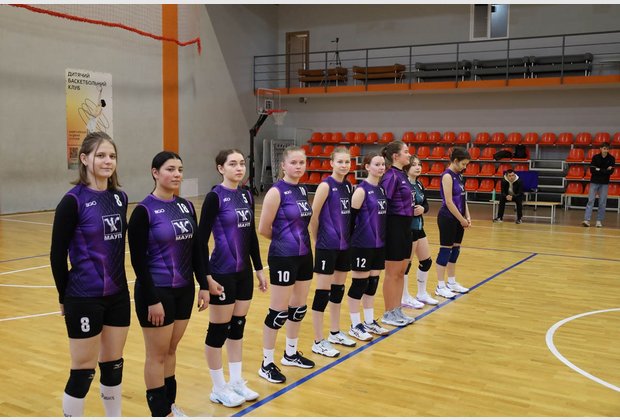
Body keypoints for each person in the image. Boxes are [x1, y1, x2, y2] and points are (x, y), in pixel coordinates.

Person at [50, 132, 130, 417]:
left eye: (112, 156)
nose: (108, 161)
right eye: (101, 155)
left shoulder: (120, 198)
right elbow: (57, 254)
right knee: (83, 371)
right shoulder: (73, 201)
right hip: (84, 296)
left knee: (113, 365)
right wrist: (64, 296)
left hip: (118, 296)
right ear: (84, 159)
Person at [128, 151, 211, 417]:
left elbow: (196, 250)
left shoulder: (186, 206)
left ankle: (169, 406)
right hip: (156, 292)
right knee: (157, 354)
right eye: (170, 169)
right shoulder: (143, 211)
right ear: (155, 173)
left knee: (171, 350)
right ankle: (160, 412)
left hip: (184, 290)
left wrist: (203, 284)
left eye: (180, 170)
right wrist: (152, 299)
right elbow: (138, 262)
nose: (177, 174)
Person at [198, 149, 267, 408]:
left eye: (241, 164)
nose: (239, 168)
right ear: (220, 168)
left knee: (237, 327)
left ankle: (236, 381)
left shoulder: (246, 195)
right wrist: (205, 278)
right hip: (222, 272)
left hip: (243, 273)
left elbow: (250, 236)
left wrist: (258, 268)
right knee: (218, 331)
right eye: (232, 164)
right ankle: (218, 388)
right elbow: (200, 240)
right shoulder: (215, 197)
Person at [257, 145, 315, 384]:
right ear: (283, 165)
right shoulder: (276, 191)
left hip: (304, 255)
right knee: (278, 312)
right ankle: (266, 363)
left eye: (302, 162)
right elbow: (263, 228)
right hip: (283, 257)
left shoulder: (302, 189)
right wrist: (284, 241)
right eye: (293, 162)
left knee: (298, 308)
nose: (298, 166)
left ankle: (290, 354)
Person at [309, 147, 357, 358]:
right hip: (326, 246)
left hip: (344, 247)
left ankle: (335, 333)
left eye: (347, 162)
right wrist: (317, 240)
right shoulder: (325, 186)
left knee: (338, 291)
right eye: (340, 161)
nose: (344, 165)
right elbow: (313, 216)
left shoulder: (348, 186)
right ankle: (318, 341)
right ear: (331, 163)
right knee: (322, 293)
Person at [346, 152, 390, 338]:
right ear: (367, 167)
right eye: (377, 164)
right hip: (361, 245)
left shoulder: (381, 190)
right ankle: (355, 325)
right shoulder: (361, 190)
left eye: (383, 164)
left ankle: (369, 321)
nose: (381, 167)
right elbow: (350, 221)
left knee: (372, 284)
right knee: (359, 284)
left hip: (378, 245)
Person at [379, 141, 416, 327]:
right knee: (392, 273)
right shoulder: (390, 176)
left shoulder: (402, 175)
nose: (409, 155)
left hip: (406, 226)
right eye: (406, 152)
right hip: (394, 226)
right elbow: (383, 204)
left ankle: (397, 309)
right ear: (395, 156)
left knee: (401, 272)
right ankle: (388, 312)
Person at [401, 156, 439, 309]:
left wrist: (423, 209)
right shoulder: (403, 185)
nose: (418, 167)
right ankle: (404, 297)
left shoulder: (419, 184)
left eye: (419, 164)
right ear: (406, 167)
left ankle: (421, 293)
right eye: (414, 165)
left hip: (419, 227)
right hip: (407, 228)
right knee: (406, 265)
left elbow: (426, 204)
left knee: (426, 261)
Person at [435, 147, 472, 300]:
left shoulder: (459, 176)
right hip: (448, 218)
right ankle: (440, 286)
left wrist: (467, 216)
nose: (465, 167)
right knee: (445, 251)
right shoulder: (447, 176)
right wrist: (461, 219)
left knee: (455, 251)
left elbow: (463, 198)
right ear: (455, 161)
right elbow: (449, 202)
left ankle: (451, 282)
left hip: (459, 218)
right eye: (463, 164)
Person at [582, 142, 616, 228]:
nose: (606, 150)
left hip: (604, 183)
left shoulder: (611, 158)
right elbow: (592, 170)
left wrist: (599, 169)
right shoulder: (595, 157)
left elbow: (611, 172)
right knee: (590, 201)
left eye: (607, 149)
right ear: (600, 149)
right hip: (594, 182)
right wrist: (605, 170)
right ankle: (587, 220)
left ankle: (599, 221)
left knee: (602, 202)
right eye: (604, 148)